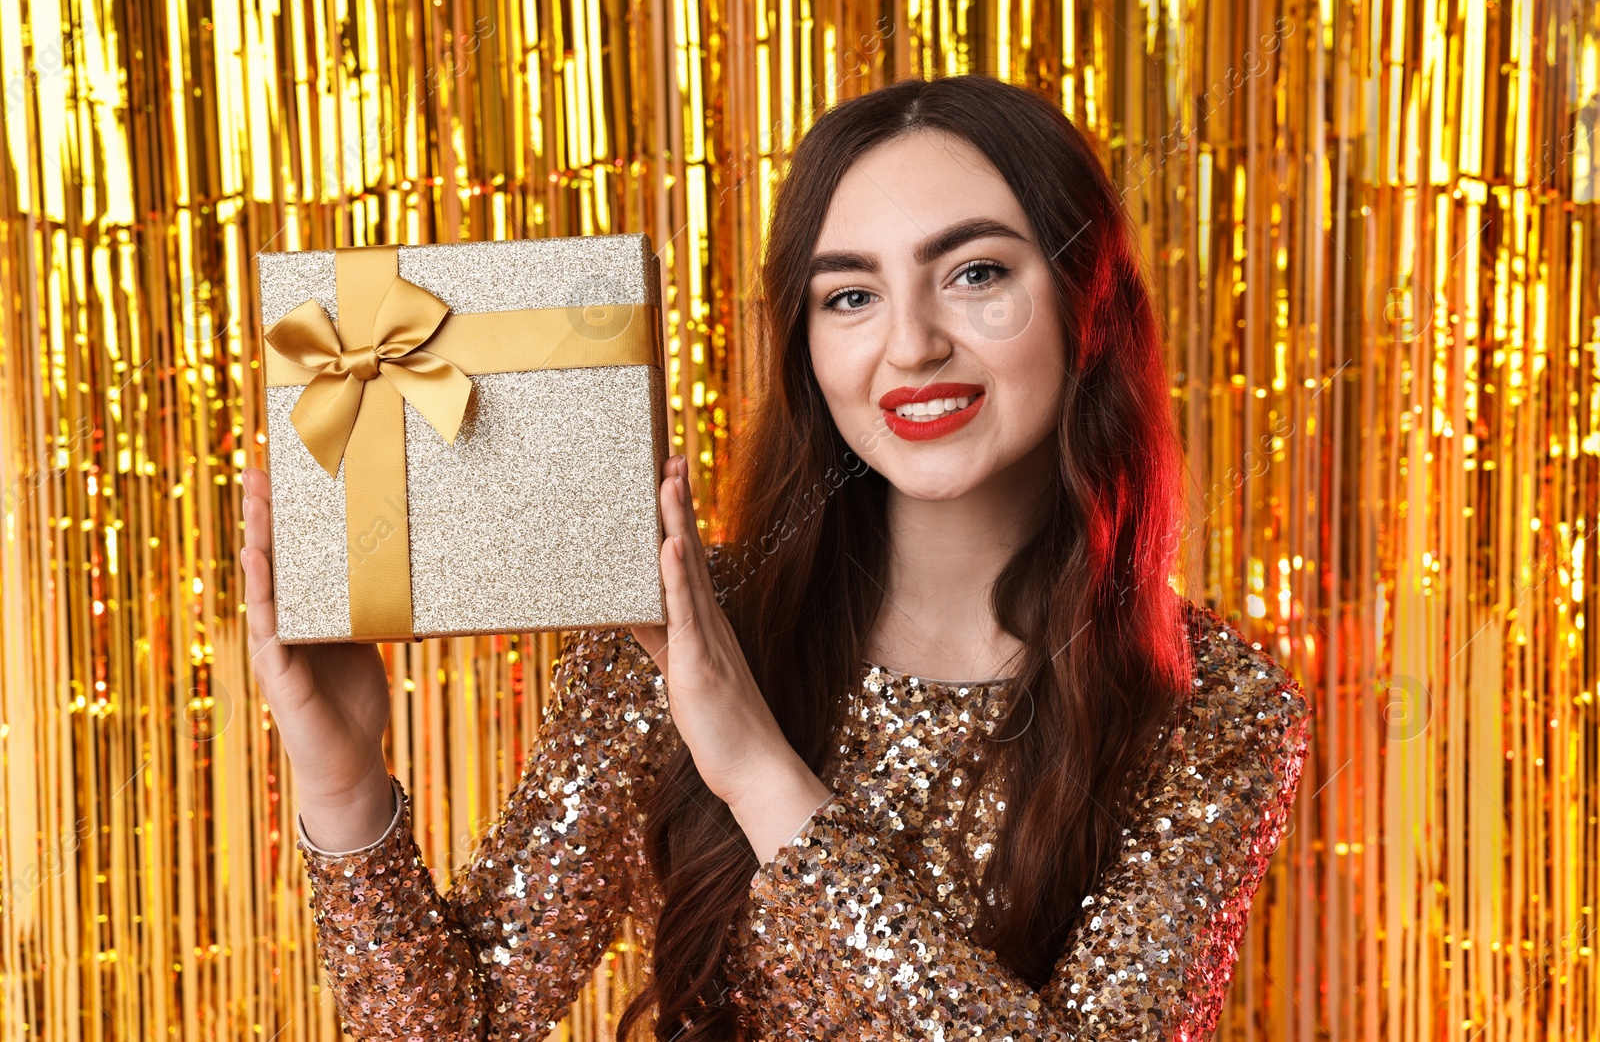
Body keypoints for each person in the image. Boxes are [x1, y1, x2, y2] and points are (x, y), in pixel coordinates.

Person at [241, 73, 1311, 1042]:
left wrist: (756, 767)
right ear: (805, 343)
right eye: (850, 294)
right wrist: (342, 782)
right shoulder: (672, 631)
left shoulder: (1216, 703)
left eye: (975, 272)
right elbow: (457, 1029)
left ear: (1090, 299)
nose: (911, 343)